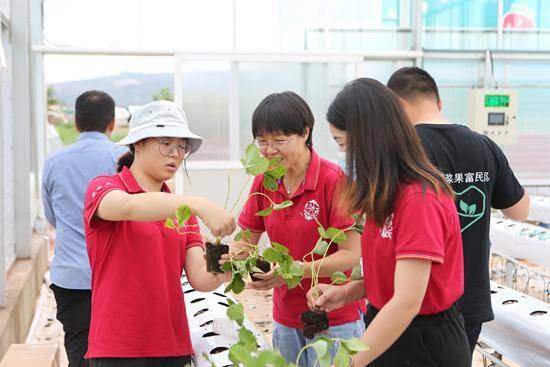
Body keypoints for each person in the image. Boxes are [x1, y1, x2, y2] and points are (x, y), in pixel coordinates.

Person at [308, 78, 471, 366]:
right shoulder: (386, 194)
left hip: (422, 342)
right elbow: (393, 276)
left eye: (343, 143)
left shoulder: (419, 199)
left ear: (371, 140)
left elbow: (408, 301)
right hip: (389, 326)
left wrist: (347, 362)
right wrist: (349, 292)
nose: (343, 155)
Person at [387, 66, 529, 354]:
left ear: (397, 105)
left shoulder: (401, 153)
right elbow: (519, 211)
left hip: (418, 299)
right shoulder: (485, 146)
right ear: (438, 102)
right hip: (470, 297)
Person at [82, 100, 235, 367]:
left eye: (181, 146)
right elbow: (129, 208)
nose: (175, 154)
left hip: (171, 346)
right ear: (138, 142)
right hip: (118, 349)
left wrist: (224, 263)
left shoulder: (181, 211)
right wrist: (198, 204)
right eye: (166, 143)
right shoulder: (105, 188)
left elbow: (200, 279)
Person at [236, 91, 365, 367]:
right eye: (262, 142)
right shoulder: (265, 180)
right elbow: (246, 241)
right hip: (285, 317)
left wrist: (291, 271)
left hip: (335, 317)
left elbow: (351, 254)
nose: (269, 150)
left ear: (305, 132)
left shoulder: (334, 181)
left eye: (279, 141)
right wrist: (232, 258)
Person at [42, 90, 127, 367]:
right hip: (116, 276)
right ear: (112, 123)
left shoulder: (53, 163)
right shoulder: (123, 159)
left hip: (71, 278)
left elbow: (53, 218)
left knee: (79, 352)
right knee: (119, 353)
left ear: (76, 123)